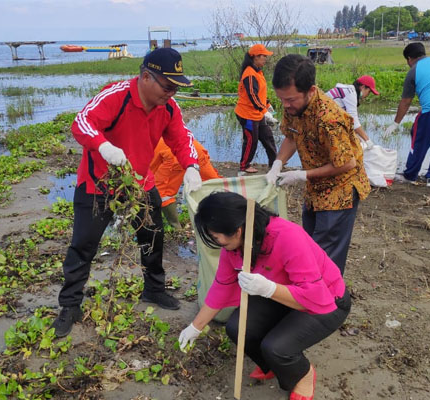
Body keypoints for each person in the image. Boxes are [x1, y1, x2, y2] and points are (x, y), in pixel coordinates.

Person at [51, 48, 203, 337]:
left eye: (176, 87)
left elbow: (182, 138)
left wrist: (192, 166)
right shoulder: (116, 96)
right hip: (98, 184)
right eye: (168, 86)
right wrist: (103, 146)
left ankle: (154, 289)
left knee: (152, 236)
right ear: (146, 77)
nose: (171, 93)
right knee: (83, 245)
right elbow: (81, 122)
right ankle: (70, 305)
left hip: (141, 184)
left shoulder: (168, 108)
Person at [178, 192, 351, 400]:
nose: (215, 242)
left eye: (216, 236)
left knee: (276, 348)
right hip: (280, 295)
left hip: (327, 300)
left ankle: (303, 374)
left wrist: (269, 289)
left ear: (237, 230)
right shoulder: (233, 246)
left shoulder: (287, 236)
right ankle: (271, 367)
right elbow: (222, 286)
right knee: (237, 328)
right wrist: (195, 327)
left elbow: (315, 295)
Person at [265, 54, 370, 275]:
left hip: (340, 188)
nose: (285, 105)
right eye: (282, 99)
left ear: (311, 90)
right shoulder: (294, 105)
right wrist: (277, 164)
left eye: (291, 99)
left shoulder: (329, 118)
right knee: (309, 246)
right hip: (316, 186)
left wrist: (302, 175)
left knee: (325, 254)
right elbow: (292, 136)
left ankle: (327, 302)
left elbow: (347, 162)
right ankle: (311, 293)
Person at [384, 42, 430, 187]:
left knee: (418, 141)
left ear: (409, 59)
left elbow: (405, 102)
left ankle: (410, 175)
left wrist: (395, 123)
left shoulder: (413, 71)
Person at [150, 137, 221, 228]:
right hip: (192, 149)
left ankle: (176, 227)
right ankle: (228, 206)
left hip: (174, 155)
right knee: (214, 182)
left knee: (163, 193)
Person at [234, 44, 278, 174]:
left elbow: (259, 93)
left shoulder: (258, 72)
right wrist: (264, 110)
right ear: (255, 57)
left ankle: (275, 161)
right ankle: (244, 166)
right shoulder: (249, 74)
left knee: (267, 136)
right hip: (247, 114)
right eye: (263, 56)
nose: (265, 58)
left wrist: (267, 104)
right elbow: (252, 96)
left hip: (256, 113)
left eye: (265, 56)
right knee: (251, 140)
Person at [325, 75, 380, 149]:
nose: (368, 95)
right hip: (323, 121)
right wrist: (367, 140)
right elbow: (354, 122)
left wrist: (356, 136)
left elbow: (348, 121)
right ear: (363, 87)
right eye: (369, 92)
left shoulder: (349, 92)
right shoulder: (351, 94)